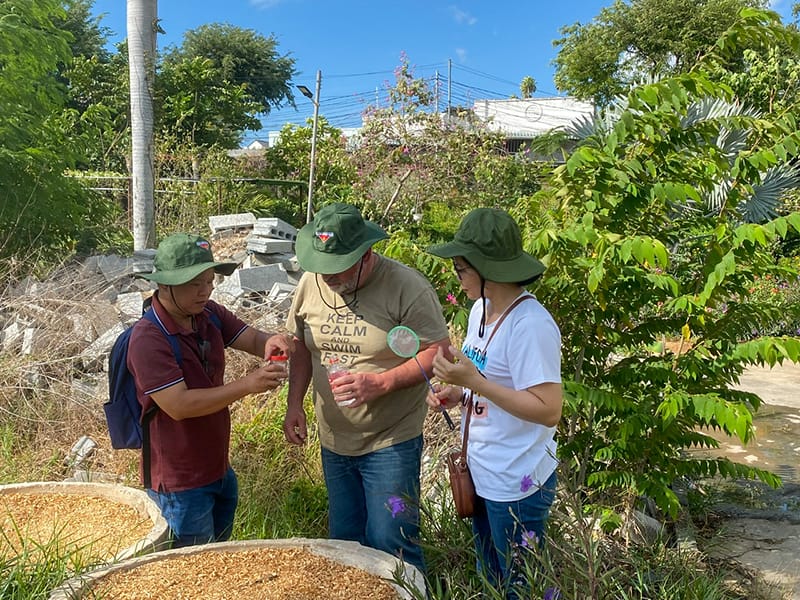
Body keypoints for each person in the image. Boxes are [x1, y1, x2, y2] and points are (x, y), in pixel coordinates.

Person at [282, 203, 450, 575]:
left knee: (392, 540)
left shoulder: (406, 286)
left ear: (366, 255)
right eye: (321, 268)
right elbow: (300, 348)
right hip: (334, 440)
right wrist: (294, 404)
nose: (327, 278)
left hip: (390, 440)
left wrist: (382, 382)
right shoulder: (312, 282)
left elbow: (439, 350)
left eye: (337, 269)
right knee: (345, 542)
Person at [425, 208, 562, 597]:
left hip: (517, 480)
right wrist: (458, 392)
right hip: (484, 471)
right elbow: (488, 380)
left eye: (460, 269)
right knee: (492, 579)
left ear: (487, 268)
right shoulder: (479, 310)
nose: (456, 277)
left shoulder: (530, 325)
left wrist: (474, 382)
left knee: (522, 586)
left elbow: (549, 408)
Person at [128, 233, 293, 548]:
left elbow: (254, 340)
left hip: (217, 468)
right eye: (194, 284)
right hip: (179, 484)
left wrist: (273, 341)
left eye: (209, 282)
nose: (205, 291)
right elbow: (178, 404)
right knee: (189, 572)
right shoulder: (148, 337)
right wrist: (247, 385)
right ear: (164, 286)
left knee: (218, 560)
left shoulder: (209, 315)